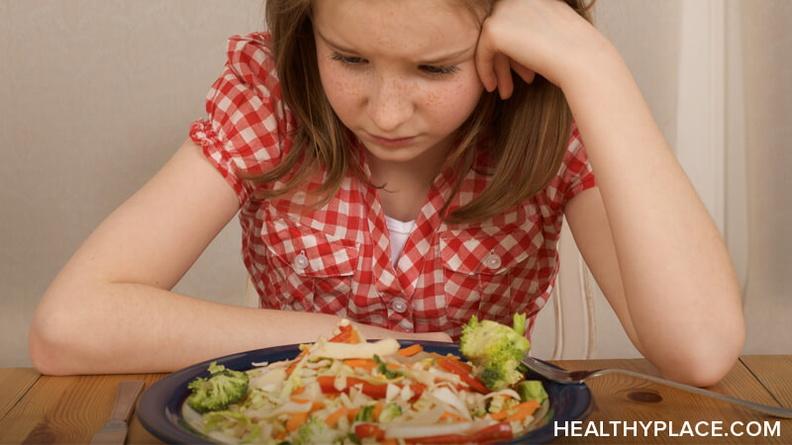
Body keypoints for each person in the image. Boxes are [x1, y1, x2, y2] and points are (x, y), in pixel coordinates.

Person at [29, 0, 744, 385]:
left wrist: (594, 67)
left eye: (435, 70)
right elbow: (67, 327)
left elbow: (703, 350)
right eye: (349, 58)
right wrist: (381, 346)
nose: (386, 112)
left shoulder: (548, 109)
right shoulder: (270, 97)